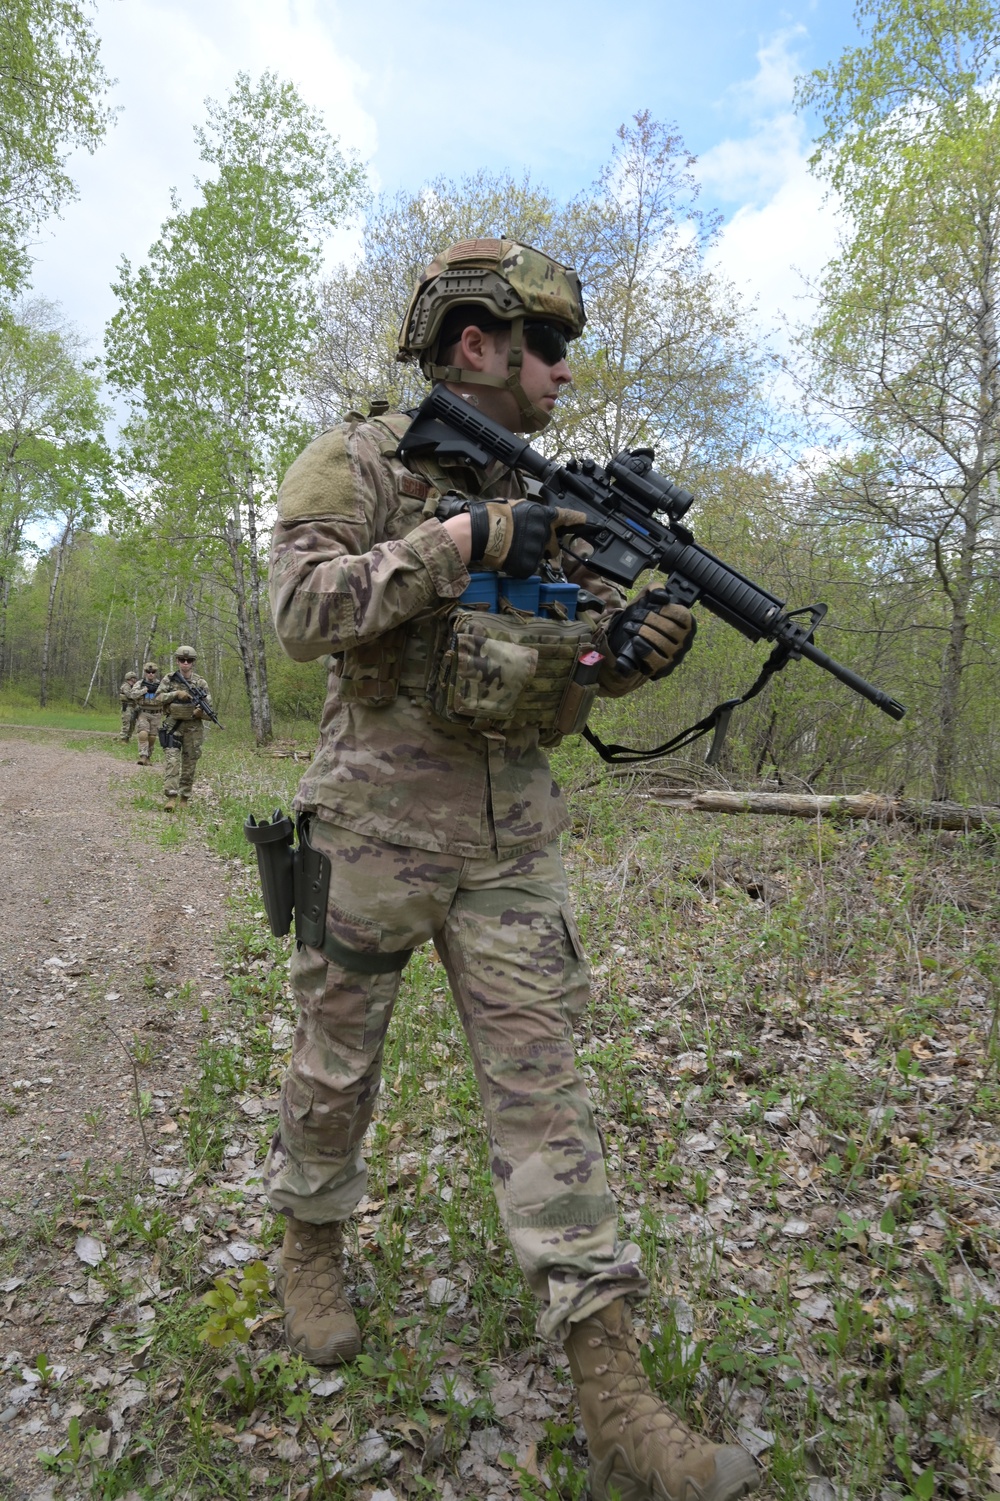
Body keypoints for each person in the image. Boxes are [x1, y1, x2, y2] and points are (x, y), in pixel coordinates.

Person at [264, 238, 758, 1501]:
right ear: (474, 344)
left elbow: (552, 671)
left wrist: (622, 657)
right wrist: (462, 537)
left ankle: (611, 1393)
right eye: (548, 346)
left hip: (510, 842)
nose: (563, 371)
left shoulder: (574, 500)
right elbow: (300, 612)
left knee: (546, 1103)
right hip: (370, 830)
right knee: (334, 1065)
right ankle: (310, 1246)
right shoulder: (364, 459)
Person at [154, 646, 213, 812]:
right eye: (182, 660)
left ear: (193, 662)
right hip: (174, 726)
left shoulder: (200, 683)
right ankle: (171, 797)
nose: (185, 663)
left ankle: (184, 797)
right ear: (177, 661)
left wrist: (200, 712)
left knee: (189, 764)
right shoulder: (169, 679)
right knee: (172, 761)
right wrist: (176, 694)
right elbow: (157, 698)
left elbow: (210, 709)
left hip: (193, 729)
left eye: (189, 660)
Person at [131, 662, 162, 766]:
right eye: (148, 672)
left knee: (152, 737)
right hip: (144, 712)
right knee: (143, 733)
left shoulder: (161, 684)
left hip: (157, 713)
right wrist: (145, 690)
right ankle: (143, 756)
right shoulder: (140, 683)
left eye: (153, 672)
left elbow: (167, 695)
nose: (151, 674)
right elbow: (132, 695)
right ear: (145, 672)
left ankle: (148, 756)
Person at [118, 671, 138, 741]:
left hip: (133, 707)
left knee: (132, 723)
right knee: (126, 723)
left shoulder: (133, 687)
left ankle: (128, 737)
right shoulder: (125, 686)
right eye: (133, 678)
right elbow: (130, 695)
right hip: (127, 707)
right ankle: (123, 738)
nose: (134, 680)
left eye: (135, 678)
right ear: (129, 678)